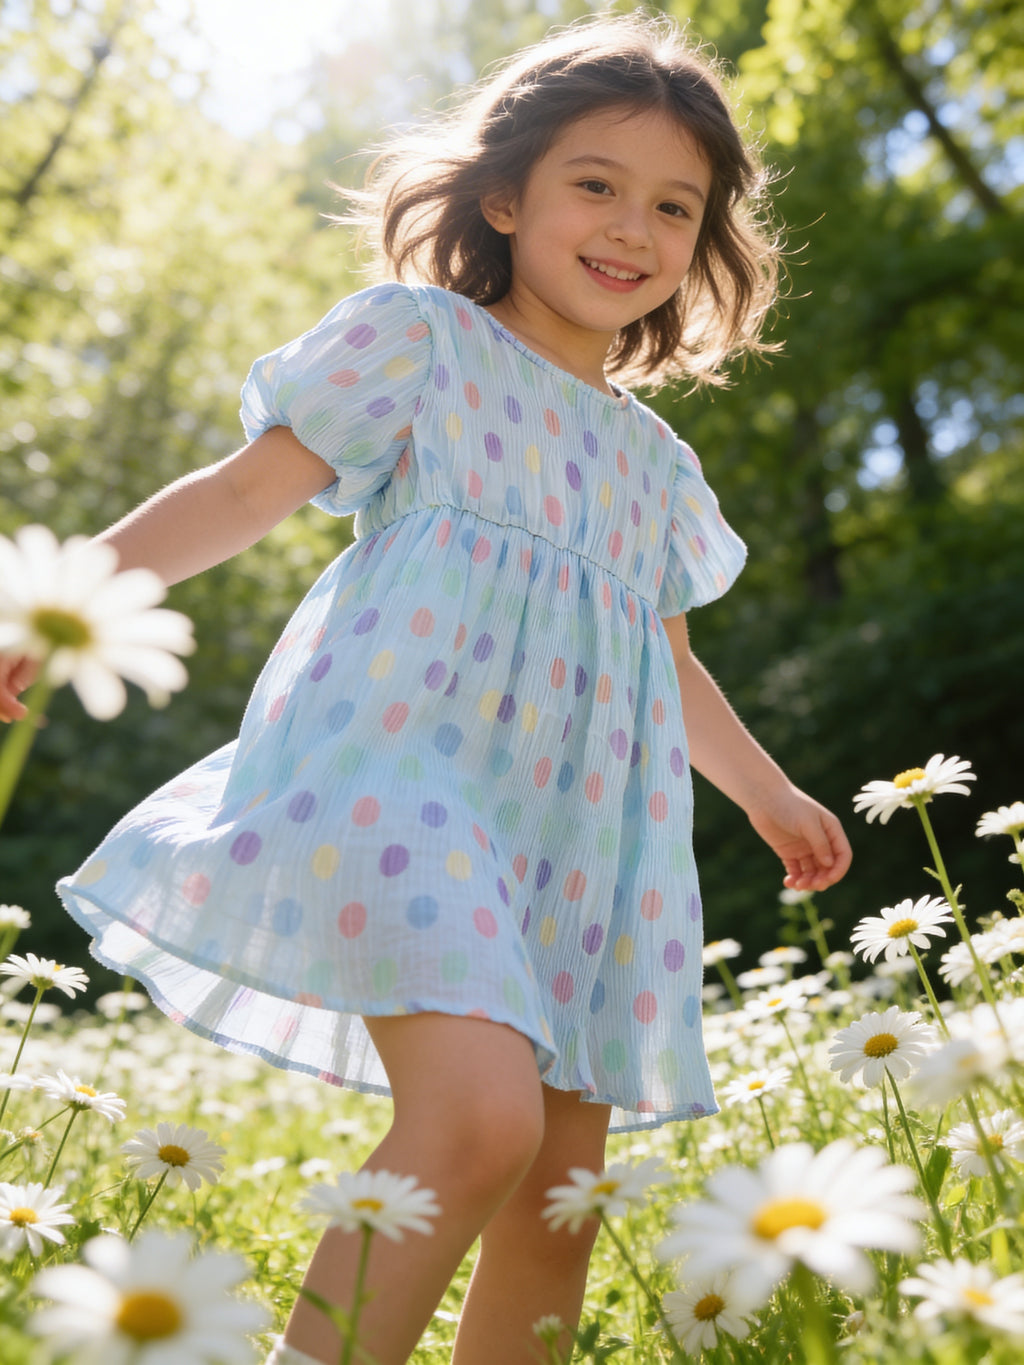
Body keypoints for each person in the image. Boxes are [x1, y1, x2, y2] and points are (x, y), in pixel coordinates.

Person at [0, 13, 852, 1364]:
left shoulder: (658, 469)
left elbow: (667, 665)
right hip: (407, 781)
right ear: (505, 195)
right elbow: (239, 493)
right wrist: (70, 600)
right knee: (476, 1125)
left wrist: (768, 789)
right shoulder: (421, 347)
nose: (633, 225)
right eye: (597, 184)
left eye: (674, 206)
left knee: (561, 1196)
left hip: (585, 841)